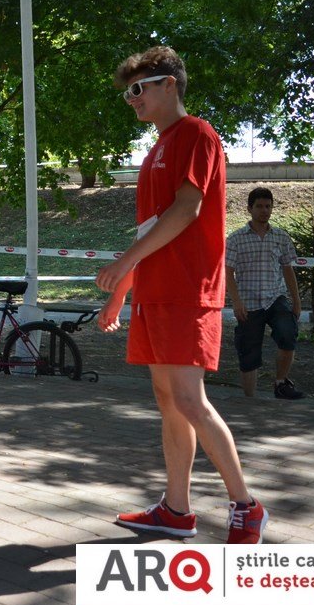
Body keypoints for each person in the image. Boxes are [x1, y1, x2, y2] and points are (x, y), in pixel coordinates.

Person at [96, 46, 268, 544]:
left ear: (169, 83)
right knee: (168, 400)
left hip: (188, 290)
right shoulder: (156, 149)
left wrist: (123, 265)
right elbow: (150, 228)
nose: (132, 99)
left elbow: (187, 210)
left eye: (138, 88)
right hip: (155, 292)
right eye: (128, 92)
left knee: (191, 401)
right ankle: (176, 510)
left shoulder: (196, 134)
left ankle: (247, 506)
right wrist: (122, 292)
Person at [225, 188, 304, 400]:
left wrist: (296, 301)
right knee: (248, 353)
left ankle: (281, 384)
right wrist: (236, 301)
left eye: (268, 206)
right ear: (249, 209)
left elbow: (288, 269)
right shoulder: (236, 239)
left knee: (288, 335)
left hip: (275, 298)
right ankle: (250, 401)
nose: (264, 210)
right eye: (259, 206)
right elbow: (228, 272)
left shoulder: (281, 237)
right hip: (249, 302)